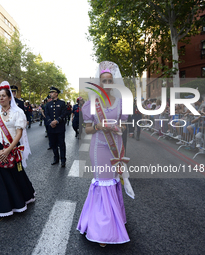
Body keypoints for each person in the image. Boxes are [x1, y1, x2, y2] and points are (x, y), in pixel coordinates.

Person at [77, 61, 134, 247]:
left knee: (114, 181)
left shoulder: (121, 102)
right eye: (104, 81)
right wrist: (98, 126)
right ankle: (102, 229)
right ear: (99, 83)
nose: (107, 84)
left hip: (115, 145)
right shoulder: (91, 104)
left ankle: (114, 220)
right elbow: (87, 129)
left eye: (110, 80)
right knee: (103, 183)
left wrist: (120, 128)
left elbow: (124, 125)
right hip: (99, 147)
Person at [0, 82, 35, 222]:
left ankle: (21, 199)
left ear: (9, 98)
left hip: (12, 148)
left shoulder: (17, 113)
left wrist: (8, 150)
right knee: (1, 178)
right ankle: (3, 208)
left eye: (3, 96)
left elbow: (19, 133)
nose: (1, 98)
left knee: (16, 175)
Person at [45, 86, 67, 167]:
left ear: (56, 94)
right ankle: (56, 158)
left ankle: (63, 160)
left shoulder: (62, 103)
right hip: (51, 127)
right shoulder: (48, 104)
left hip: (60, 127)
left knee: (61, 144)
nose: (50, 94)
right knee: (53, 144)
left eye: (52, 92)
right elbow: (46, 114)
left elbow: (64, 113)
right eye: (50, 92)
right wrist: (50, 122)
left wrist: (57, 120)